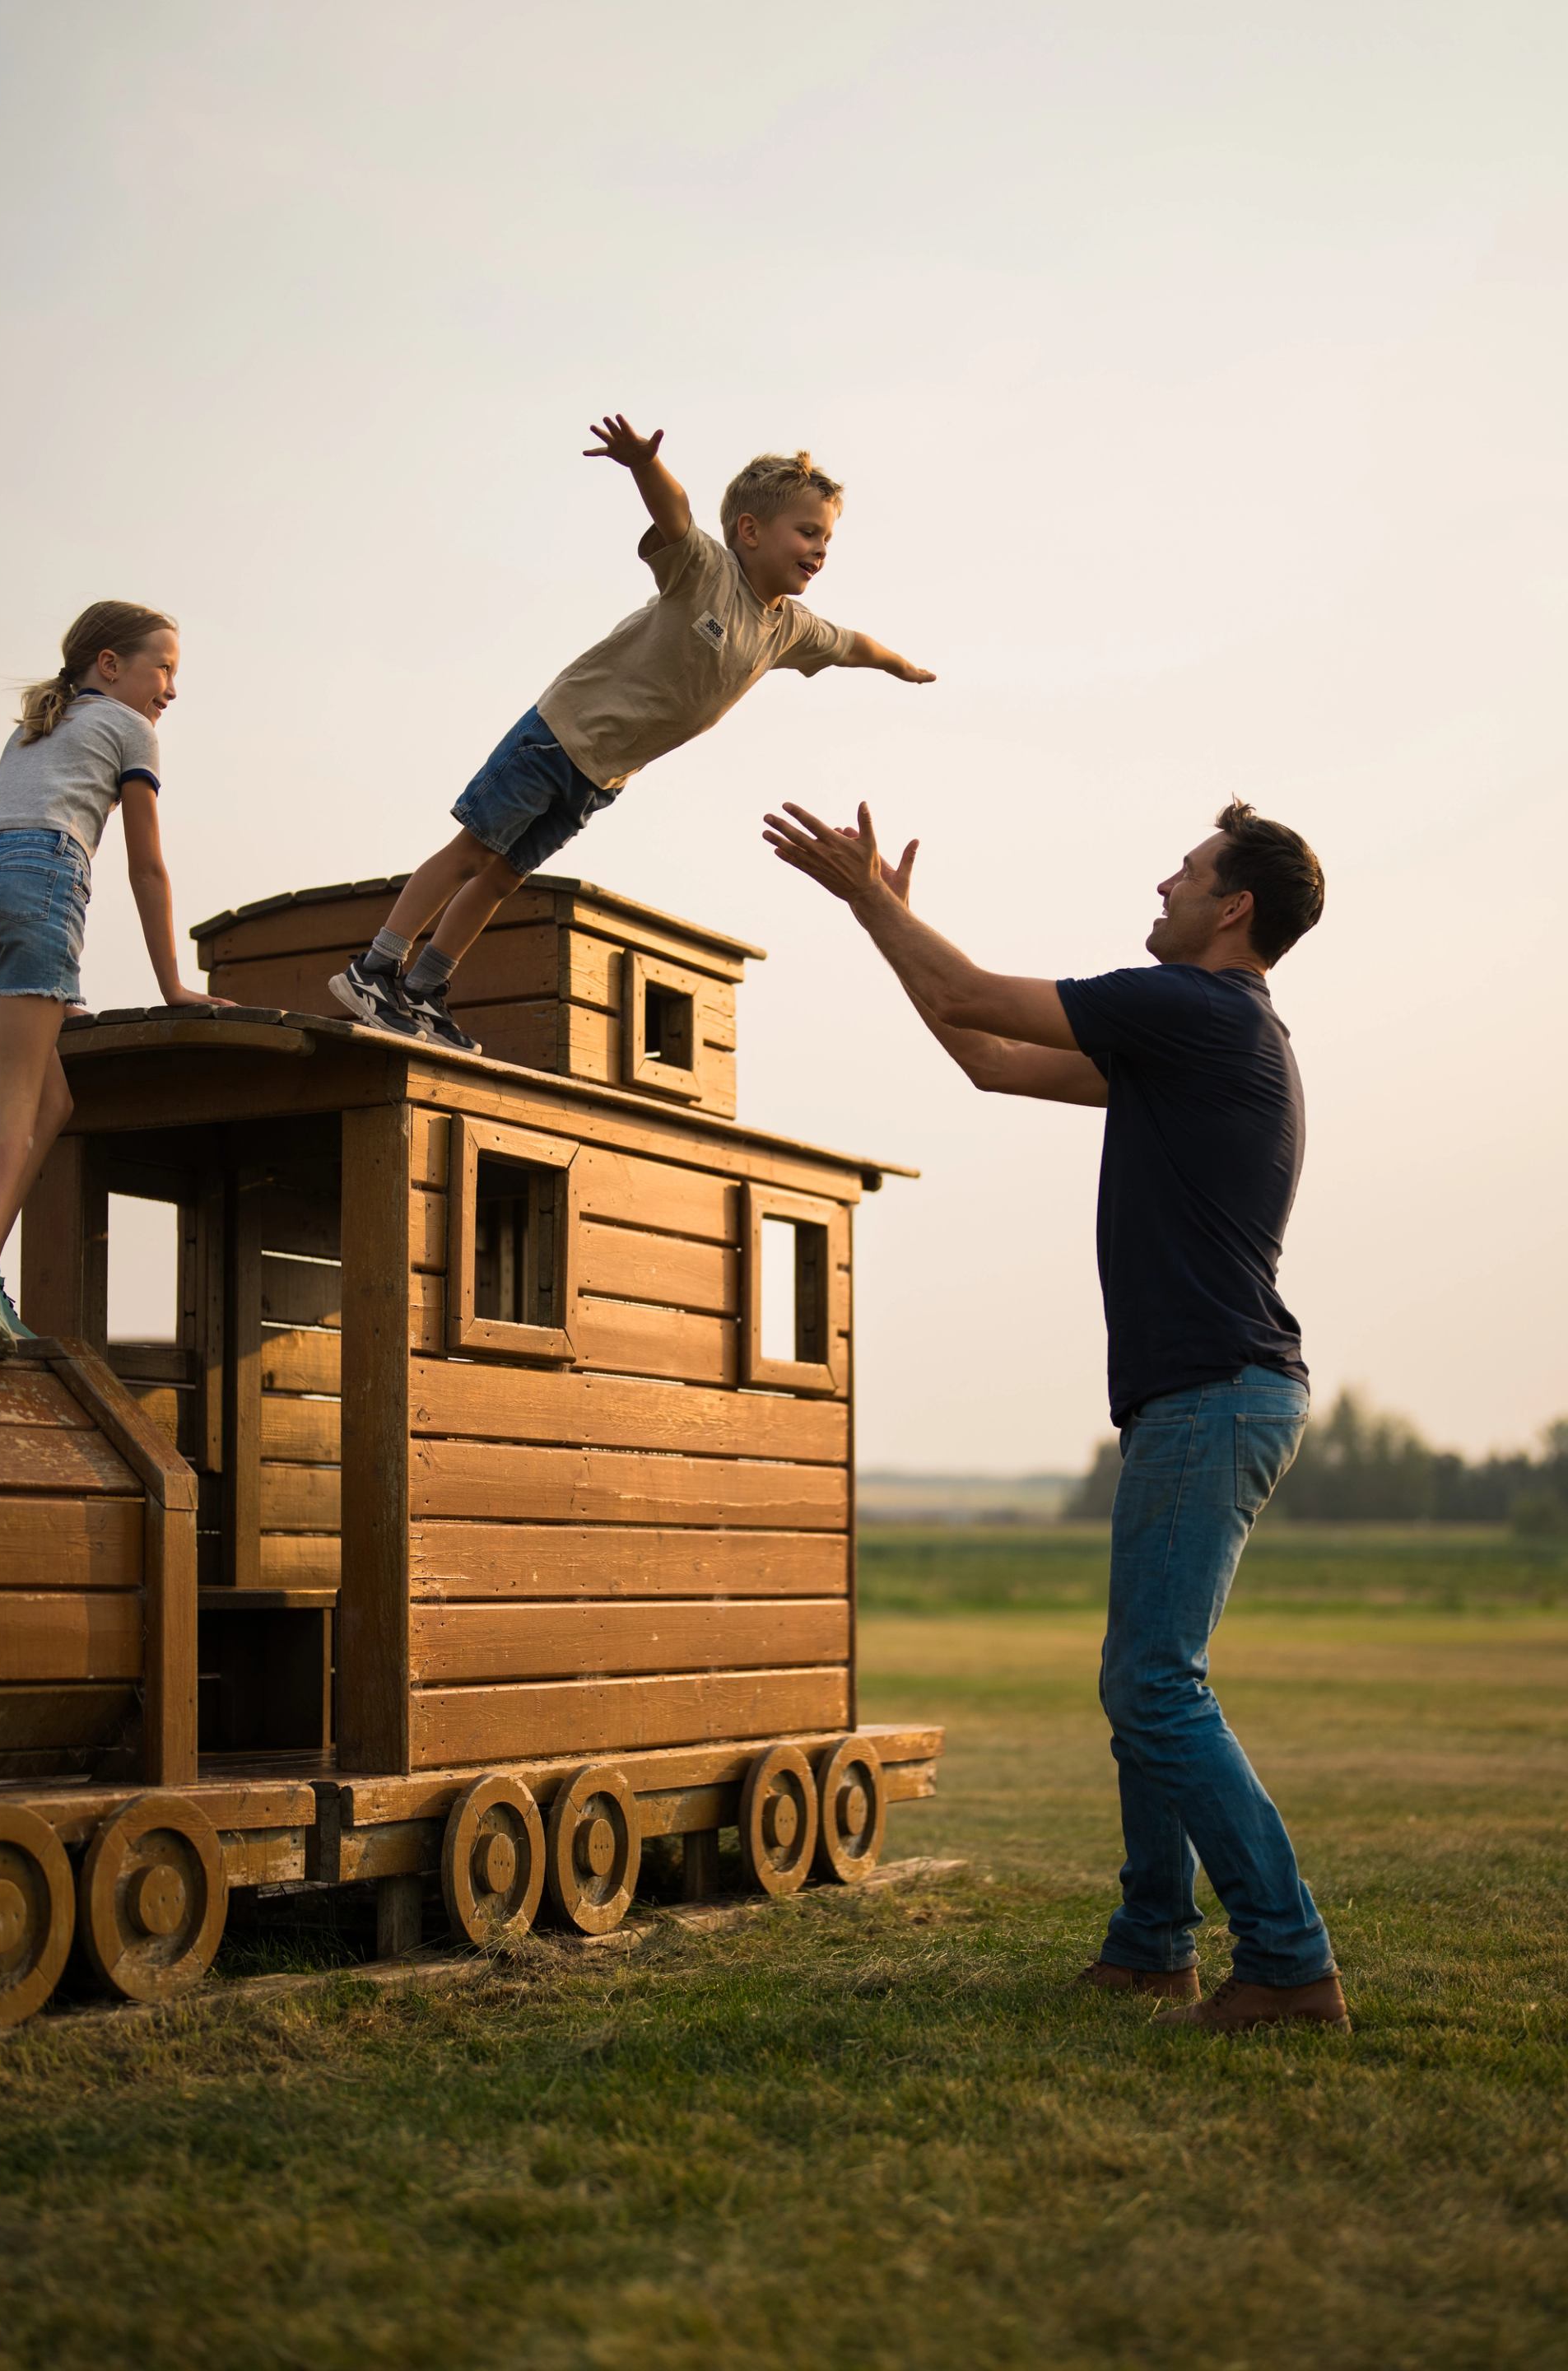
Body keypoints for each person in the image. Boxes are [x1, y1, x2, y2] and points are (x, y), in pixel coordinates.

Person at [764, 794, 1347, 2033]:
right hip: (1202, 1397)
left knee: (1155, 1689)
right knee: (1146, 1683)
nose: (1165, 884)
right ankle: (1150, 1945)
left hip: (1214, 1393)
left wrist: (868, 897)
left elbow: (976, 1001)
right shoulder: (1195, 1041)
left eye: (1186, 872)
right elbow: (984, 1056)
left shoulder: (1193, 1010)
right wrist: (896, 922)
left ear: (1232, 907)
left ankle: (1288, 1963)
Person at [331, 416, 934, 1052]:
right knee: (473, 851)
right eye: (808, 531)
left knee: (504, 876)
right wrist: (643, 465)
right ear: (750, 532)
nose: (820, 548)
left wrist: (899, 666)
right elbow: (675, 513)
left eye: (828, 539)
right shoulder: (704, 572)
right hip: (559, 736)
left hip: (601, 775)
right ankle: (375, 969)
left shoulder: (790, 628)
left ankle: (424, 990)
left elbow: (851, 645)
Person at [0, 602, 226, 1355]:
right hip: (42, 883)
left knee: (52, 1100)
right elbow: (146, 867)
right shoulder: (131, 730)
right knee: (15, 1104)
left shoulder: (33, 729)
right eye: (165, 668)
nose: (172, 689)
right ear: (111, 665)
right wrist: (175, 985)